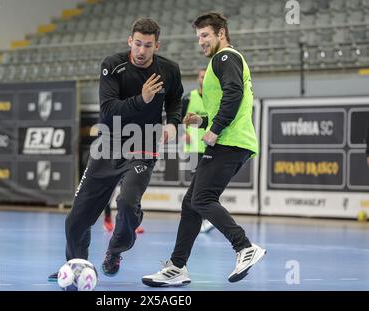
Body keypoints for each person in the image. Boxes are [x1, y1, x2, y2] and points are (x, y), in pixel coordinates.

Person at [48, 18, 183, 281]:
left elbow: (176, 98)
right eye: (137, 44)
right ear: (129, 41)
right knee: (77, 218)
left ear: (157, 45)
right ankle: (77, 264)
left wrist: (173, 123)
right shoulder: (112, 65)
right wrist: (141, 99)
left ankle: (115, 251)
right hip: (108, 144)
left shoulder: (169, 69)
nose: (141, 51)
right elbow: (108, 111)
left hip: (143, 145)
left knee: (128, 203)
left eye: (148, 45)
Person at [142, 12, 266, 287]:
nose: (201, 42)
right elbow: (232, 101)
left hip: (229, 142)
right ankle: (176, 267)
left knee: (201, 200)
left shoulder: (225, 58)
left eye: (205, 35)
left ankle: (244, 247)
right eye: (198, 37)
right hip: (231, 139)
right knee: (192, 203)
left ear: (221, 33)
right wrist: (203, 121)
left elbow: (234, 95)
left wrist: (215, 129)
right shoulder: (222, 61)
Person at [181, 69, 214, 234]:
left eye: (206, 76)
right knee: (198, 185)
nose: (203, 79)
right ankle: (202, 219)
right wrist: (183, 133)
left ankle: (203, 219)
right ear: (198, 78)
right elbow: (177, 118)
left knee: (205, 185)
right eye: (202, 76)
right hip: (194, 148)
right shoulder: (188, 98)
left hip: (210, 146)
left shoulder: (213, 97)